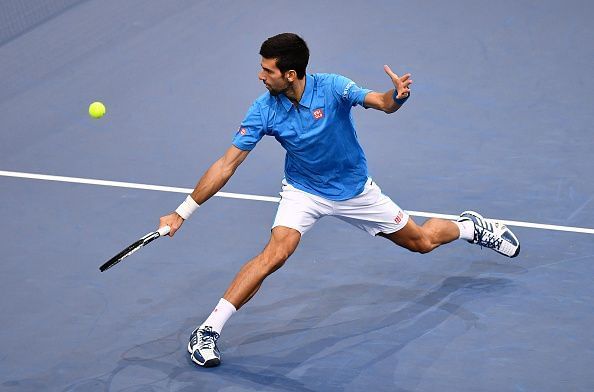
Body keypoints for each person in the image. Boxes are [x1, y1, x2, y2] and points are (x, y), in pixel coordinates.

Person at [158, 33, 520, 368]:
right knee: (276, 253)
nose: (260, 76)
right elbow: (227, 164)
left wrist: (397, 96)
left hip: (355, 192)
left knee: (422, 243)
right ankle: (207, 331)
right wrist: (182, 212)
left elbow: (380, 102)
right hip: (304, 191)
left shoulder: (332, 87)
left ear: (291, 74)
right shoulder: (263, 109)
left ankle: (469, 227)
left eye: (268, 70)